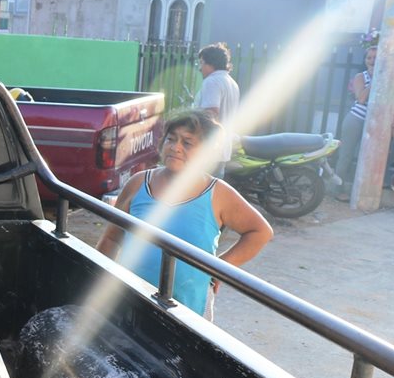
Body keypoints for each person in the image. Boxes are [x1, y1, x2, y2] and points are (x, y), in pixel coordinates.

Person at [96, 110, 273, 319]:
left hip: (188, 310)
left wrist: (221, 268)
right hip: (128, 300)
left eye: (187, 143)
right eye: (171, 139)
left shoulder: (218, 194)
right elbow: (111, 238)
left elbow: (260, 232)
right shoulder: (138, 183)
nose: (175, 147)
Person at [191, 43, 240, 175]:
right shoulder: (231, 82)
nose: (200, 68)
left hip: (208, 150)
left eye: (201, 63)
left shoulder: (212, 82)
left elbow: (210, 113)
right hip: (222, 149)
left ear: (211, 63)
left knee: (198, 191)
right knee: (214, 190)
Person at [334, 45, 377, 194]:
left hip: (374, 123)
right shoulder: (361, 76)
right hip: (356, 120)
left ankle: (362, 191)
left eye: (375, 57)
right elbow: (361, 99)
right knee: (346, 155)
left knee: (368, 158)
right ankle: (337, 189)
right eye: (369, 57)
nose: (372, 60)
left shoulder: (387, 78)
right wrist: (373, 80)